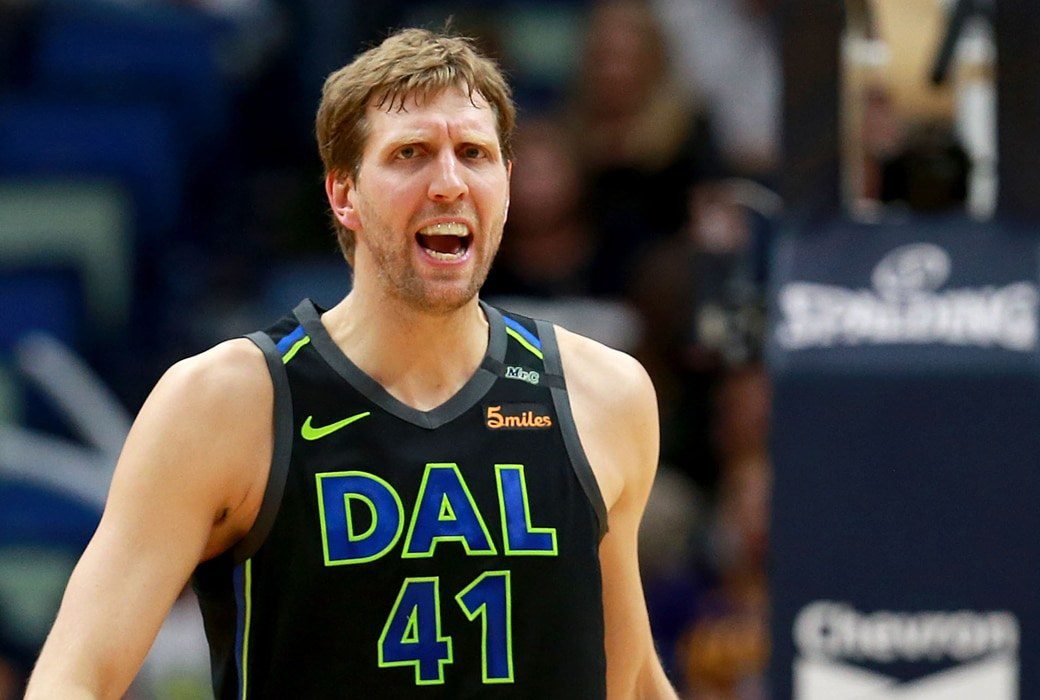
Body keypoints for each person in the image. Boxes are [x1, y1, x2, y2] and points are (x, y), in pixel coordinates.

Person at [27, 28, 677, 699]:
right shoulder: (224, 402)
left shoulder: (604, 393)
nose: (449, 183)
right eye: (410, 154)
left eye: (474, 154)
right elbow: (74, 677)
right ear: (344, 194)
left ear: (505, 186)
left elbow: (629, 680)